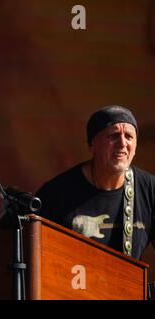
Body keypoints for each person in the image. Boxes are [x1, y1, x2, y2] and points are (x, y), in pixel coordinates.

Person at [35, 105, 155, 260]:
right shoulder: (55, 194)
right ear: (92, 144)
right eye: (113, 136)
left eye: (129, 137)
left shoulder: (150, 190)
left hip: (126, 283)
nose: (122, 144)